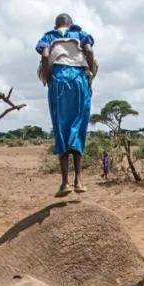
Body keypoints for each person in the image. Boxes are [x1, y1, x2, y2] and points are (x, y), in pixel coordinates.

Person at [37, 13, 97, 197]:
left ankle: (65, 183)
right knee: (78, 127)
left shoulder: (49, 36)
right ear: (71, 23)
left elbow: (45, 54)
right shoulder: (80, 34)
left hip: (59, 79)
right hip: (79, 79)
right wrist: (90, 76)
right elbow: (90, 51)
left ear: (57, 25)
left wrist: (48, 77)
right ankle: (79, 180)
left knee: (61, 128)